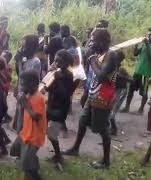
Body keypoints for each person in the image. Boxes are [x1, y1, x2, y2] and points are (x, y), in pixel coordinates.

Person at [62, 29, 118, 169]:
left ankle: (106, 161)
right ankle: (75, 148)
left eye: (93, 40)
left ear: (102, 41)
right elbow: (93, 76)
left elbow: (101, 76)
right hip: (93, 94)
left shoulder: (111, 55)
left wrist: (92, 60)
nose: (91, 42)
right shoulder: (100, 54)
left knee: (102, 129)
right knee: (83, 121)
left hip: (103, 98)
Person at [121, 27, 151, 114]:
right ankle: (127, 107)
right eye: (147, 34)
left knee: (144, 92)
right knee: (131, 88)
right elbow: (136, 53)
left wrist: (147, 44)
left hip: (146, 71)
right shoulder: (145, 43)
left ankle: (141, 109)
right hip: (137, 70)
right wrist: (136, 45)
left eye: (150, 35)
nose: (148, 36)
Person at [43, 50, 74, 171]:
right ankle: (57, 155)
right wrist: (50, 74)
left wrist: (57, 78)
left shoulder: (68, 75)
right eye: (55, 60)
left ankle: (59, 156)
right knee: (47, 131)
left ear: (66, 62)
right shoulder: (57, 73)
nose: (55, 62)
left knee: (51, 134)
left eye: (58, 61)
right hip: (51, 106)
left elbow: (65, 94)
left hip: (60, 109)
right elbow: (47, 88)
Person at [18, 70, 47, 180]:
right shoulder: (29, 93)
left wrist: (25, 103)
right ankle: (32, 167)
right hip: (27, 132)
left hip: (36, 135)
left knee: (27, 162)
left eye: (23, 84)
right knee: (24, 154)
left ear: (33, 84)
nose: (21, 87)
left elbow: (36, 117)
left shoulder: (39, 98)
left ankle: (35, 176)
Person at [109, 51, 133, 136]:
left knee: (112, 111)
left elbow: (131, 79)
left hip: (121, 91)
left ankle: (114, 129)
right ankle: (110, 126)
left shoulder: (121, 69)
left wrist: (122, 76)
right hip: (114, 90)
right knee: (109, 109)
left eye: (117, 58)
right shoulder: (112, 67)